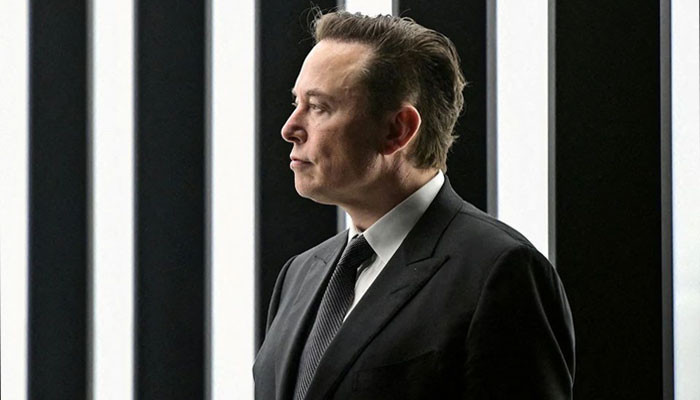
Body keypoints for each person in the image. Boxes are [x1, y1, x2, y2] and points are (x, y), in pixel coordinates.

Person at [253, 10, 575, 400]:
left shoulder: (500, 272)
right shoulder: (298, 274)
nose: (289, 128)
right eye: (296, 102)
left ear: (398, 130)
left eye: (319, 107)